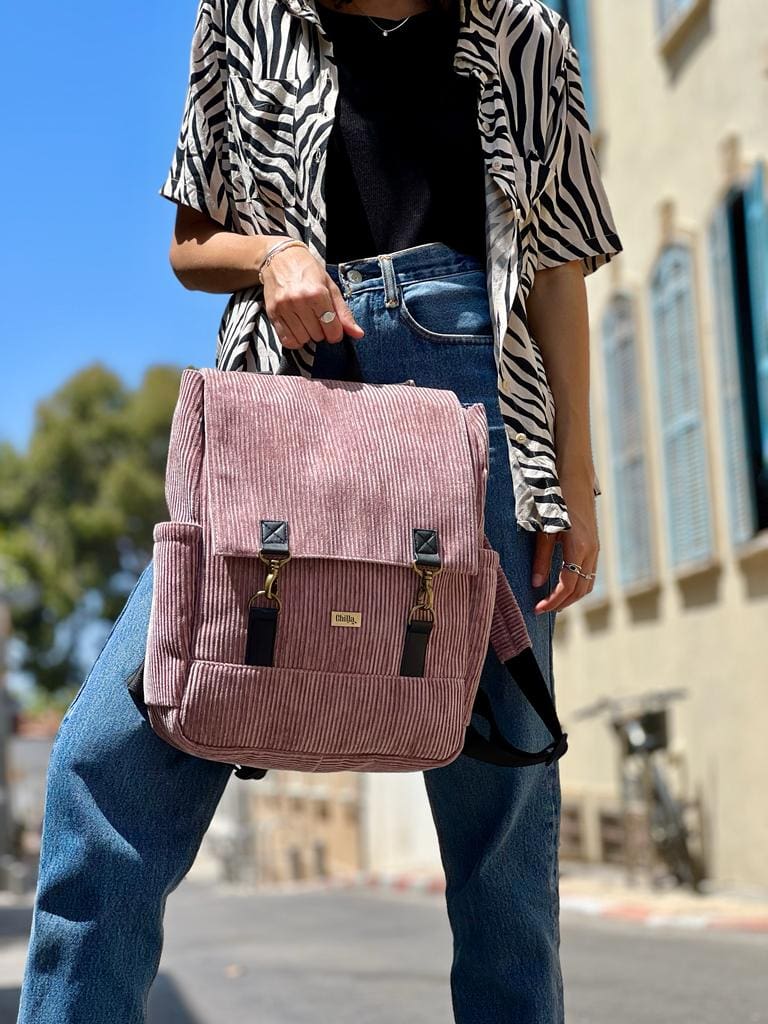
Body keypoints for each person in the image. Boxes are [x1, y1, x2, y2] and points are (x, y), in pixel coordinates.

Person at [16, 0, 623, 1021]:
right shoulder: (245, 15)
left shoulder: (526, 31)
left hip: (475, 407)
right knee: (104, 759)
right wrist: (272, 257)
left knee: (502, 829)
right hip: (280, 409)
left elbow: (557, 267)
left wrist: (574, 478)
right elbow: (190, 240)